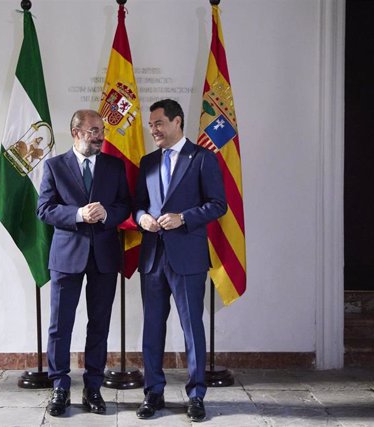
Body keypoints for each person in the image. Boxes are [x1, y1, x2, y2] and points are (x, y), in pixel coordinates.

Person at [134, 99, 227, 422]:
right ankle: (153, 393)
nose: (154, 130)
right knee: (152, 329)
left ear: (177, 122)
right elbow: (138, 205)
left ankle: (196, 394)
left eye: (158, 123)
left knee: (192, 329)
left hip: (187, 257)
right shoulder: (146, 162)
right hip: (152, 258)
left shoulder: (203, 159)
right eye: (151, 125)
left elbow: (218, 204)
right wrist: (143, 218)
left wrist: (184, 218)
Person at [37, 109, 130, 417]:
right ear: (76, 132)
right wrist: (78, 214)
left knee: (99, 326)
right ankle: (60, 386)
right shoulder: (54, 166)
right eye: (93, 131)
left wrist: (108, 214)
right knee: (60, 326)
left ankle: (93, 387)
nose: (100, 136)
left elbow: (124, 205)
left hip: (104, 257)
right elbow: (45, 210)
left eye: (101, 130)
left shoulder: (114, 166)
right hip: (66, 257)